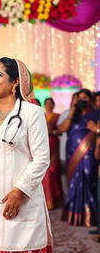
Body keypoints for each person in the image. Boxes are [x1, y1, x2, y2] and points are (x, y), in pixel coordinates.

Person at [0, 58, 52, 253]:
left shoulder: (33, 113)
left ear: (15, 83)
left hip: (21, 202)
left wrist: (19, 192)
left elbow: (41, 159)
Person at [61, 89, 99, 226]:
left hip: (89, 153)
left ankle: (91, 216)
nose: (83, 100)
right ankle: (75, 215)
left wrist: (95, 129)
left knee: (89, 180)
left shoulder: (96, 113)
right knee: (73, 183)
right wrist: (72, 110)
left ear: (91, 99)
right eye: (80, 98)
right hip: (72, 153)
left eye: (85, 97)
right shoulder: (74, 115)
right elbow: (63, 129)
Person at [42, 97, 63, 209]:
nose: (49, 105)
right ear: (44, 105)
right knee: (44, 173)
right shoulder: (41, 115)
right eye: (47, 103)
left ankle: (55, 201)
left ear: (54, 105)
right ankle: (46, 201)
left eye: (51, 103)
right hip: (43, 144)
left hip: (53, 144)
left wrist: (52, 132)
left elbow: (61, 131)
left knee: (53, 171)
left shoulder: (58, 116)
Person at [57, 92, 78, 196]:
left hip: (81, 152)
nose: (77, 102)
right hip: (65, 150)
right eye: (75, 99)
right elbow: (61, 129)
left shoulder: (86, 113)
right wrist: (71, 113)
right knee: (65, 173)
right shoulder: (66, 113)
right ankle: (67, 195)